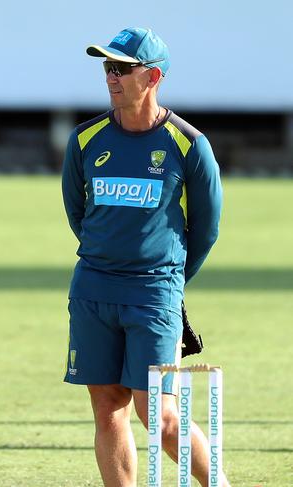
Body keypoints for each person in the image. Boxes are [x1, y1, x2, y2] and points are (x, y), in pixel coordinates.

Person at [61, 27, 229, 485]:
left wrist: (167, 278)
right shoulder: (84, 140)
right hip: (94, 288)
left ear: (152, 76)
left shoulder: (189, 144)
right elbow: (80, 215)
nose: (111, 77)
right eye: (106, 67)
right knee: (107, 409)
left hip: (154, 292)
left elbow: (207, 229)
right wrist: (108, 256)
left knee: (160, 414)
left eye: (122, 68)